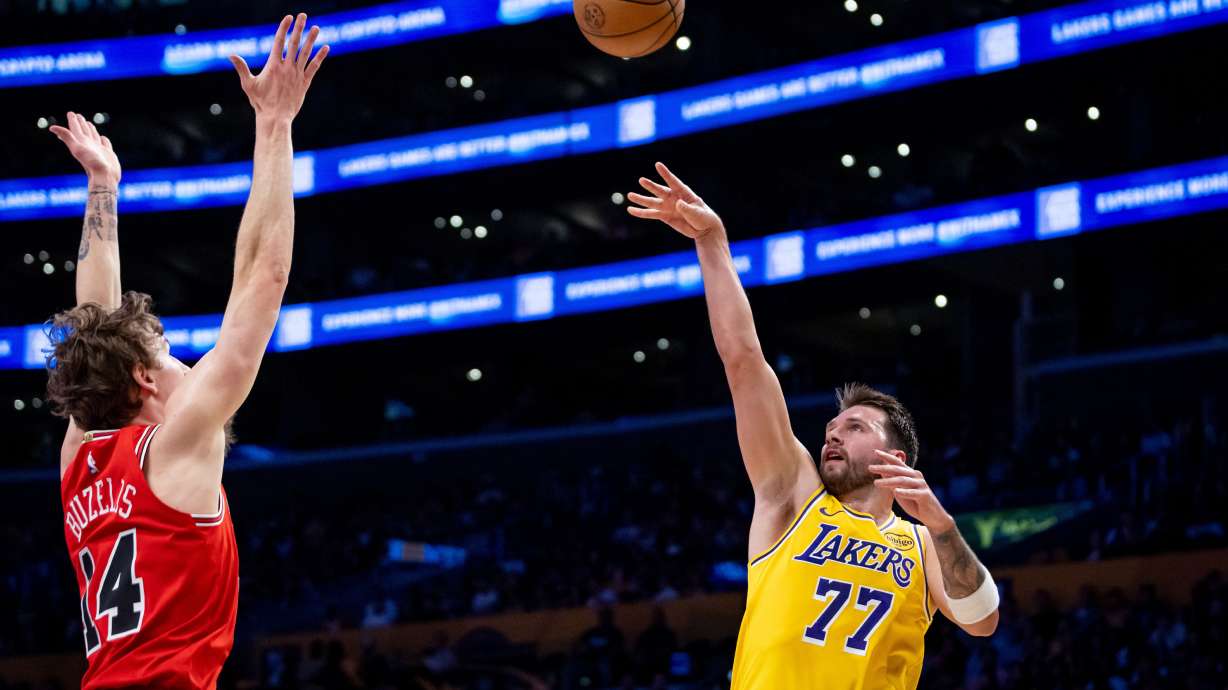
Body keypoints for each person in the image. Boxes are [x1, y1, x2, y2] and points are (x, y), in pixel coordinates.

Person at [626, 163, 1000, 689]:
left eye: (854, 427)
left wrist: (942, 527)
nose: (832, 434)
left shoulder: (921, 546)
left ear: (895, 458)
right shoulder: (792, 495)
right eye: (831, 426)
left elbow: (982, 621)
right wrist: (713, 242)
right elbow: (743, 360)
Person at [47, 14, 327, 689]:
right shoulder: (175, 445)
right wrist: (275, 124)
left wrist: (103, 188)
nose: (183, 361)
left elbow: (94, 323)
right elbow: (264, 277)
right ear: (144, 381)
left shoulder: (80, 459)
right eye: (168, 350)